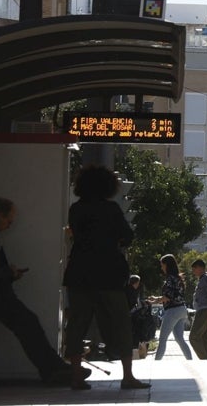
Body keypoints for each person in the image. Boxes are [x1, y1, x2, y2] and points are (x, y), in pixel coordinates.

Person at [61, 164, 150, 390]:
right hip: (108, 274)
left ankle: (74, 376)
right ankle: (127, 376)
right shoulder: (110, 209)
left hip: (79, 273)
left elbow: (76, 235)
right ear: (107, 186)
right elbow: (127, 236)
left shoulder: (76, 209)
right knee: (120, 323)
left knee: (77, 325)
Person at [0, 198, 83, 386]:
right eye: (9, 221)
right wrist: (8, 272)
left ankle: (54, 368)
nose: (10, 225)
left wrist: (9, 273)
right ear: (0, 215)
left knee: (28, 323)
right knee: (28, 323)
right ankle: (53, 369)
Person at [151, 254, 193, 360]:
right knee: (180, 339)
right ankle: (191, 360)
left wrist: (155, 300)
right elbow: (174, 295)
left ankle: (156, 362)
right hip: (182, 310)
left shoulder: (169, 278)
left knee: (162, 339)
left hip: (172, 311)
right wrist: (157, 298)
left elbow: (168, 297)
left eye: (162, 265)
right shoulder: (178, 278)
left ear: (167, 265)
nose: (161, 268)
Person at [189, 259, 207, 360]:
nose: (193, 272)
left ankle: (205, 360)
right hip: (204, 310)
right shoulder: (203, 279)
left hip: (204, 310)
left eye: (194, 269)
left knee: (193, 337)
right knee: (204, 338)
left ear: (200, 268)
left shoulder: (205, 278)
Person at [126, 274, 154, 360]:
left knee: (136, 336)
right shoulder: (131, 292)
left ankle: (136, 353)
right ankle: (136, 354)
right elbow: (134, 306)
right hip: (133, 318)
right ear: (136, 282)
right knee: (137, 335)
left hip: (134, 318)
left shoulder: (133, 291)